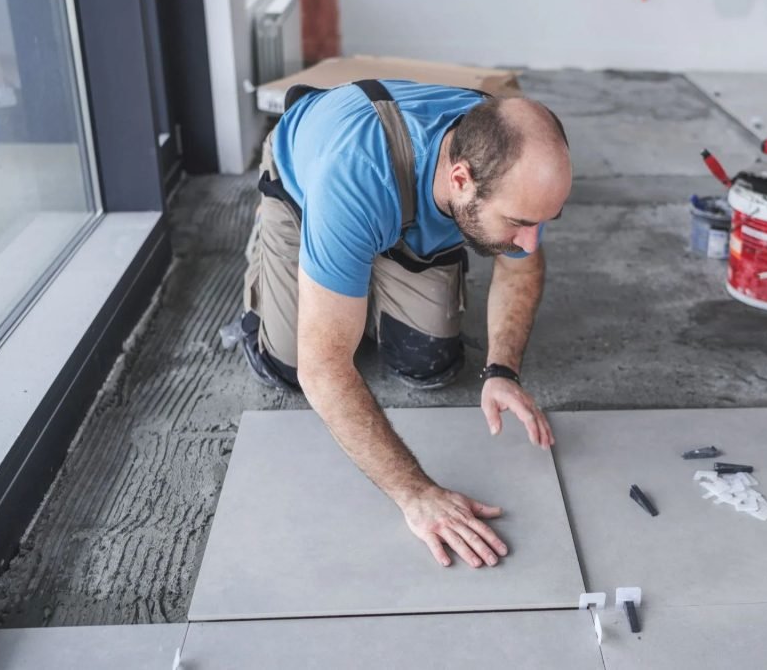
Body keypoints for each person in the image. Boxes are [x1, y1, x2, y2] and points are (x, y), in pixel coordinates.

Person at [240, 79, 572, 568]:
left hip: (404, 206)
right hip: (305, 189)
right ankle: (282, 263)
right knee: (288, 366)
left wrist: (502, 370)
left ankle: (355, 266)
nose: (530, 242)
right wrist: (415, 494)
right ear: (460, 179)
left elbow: (521, 262)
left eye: (544, 221)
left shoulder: (509, 155)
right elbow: (323, 369)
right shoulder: (353, 177)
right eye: (518, 221)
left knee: (428, 365)